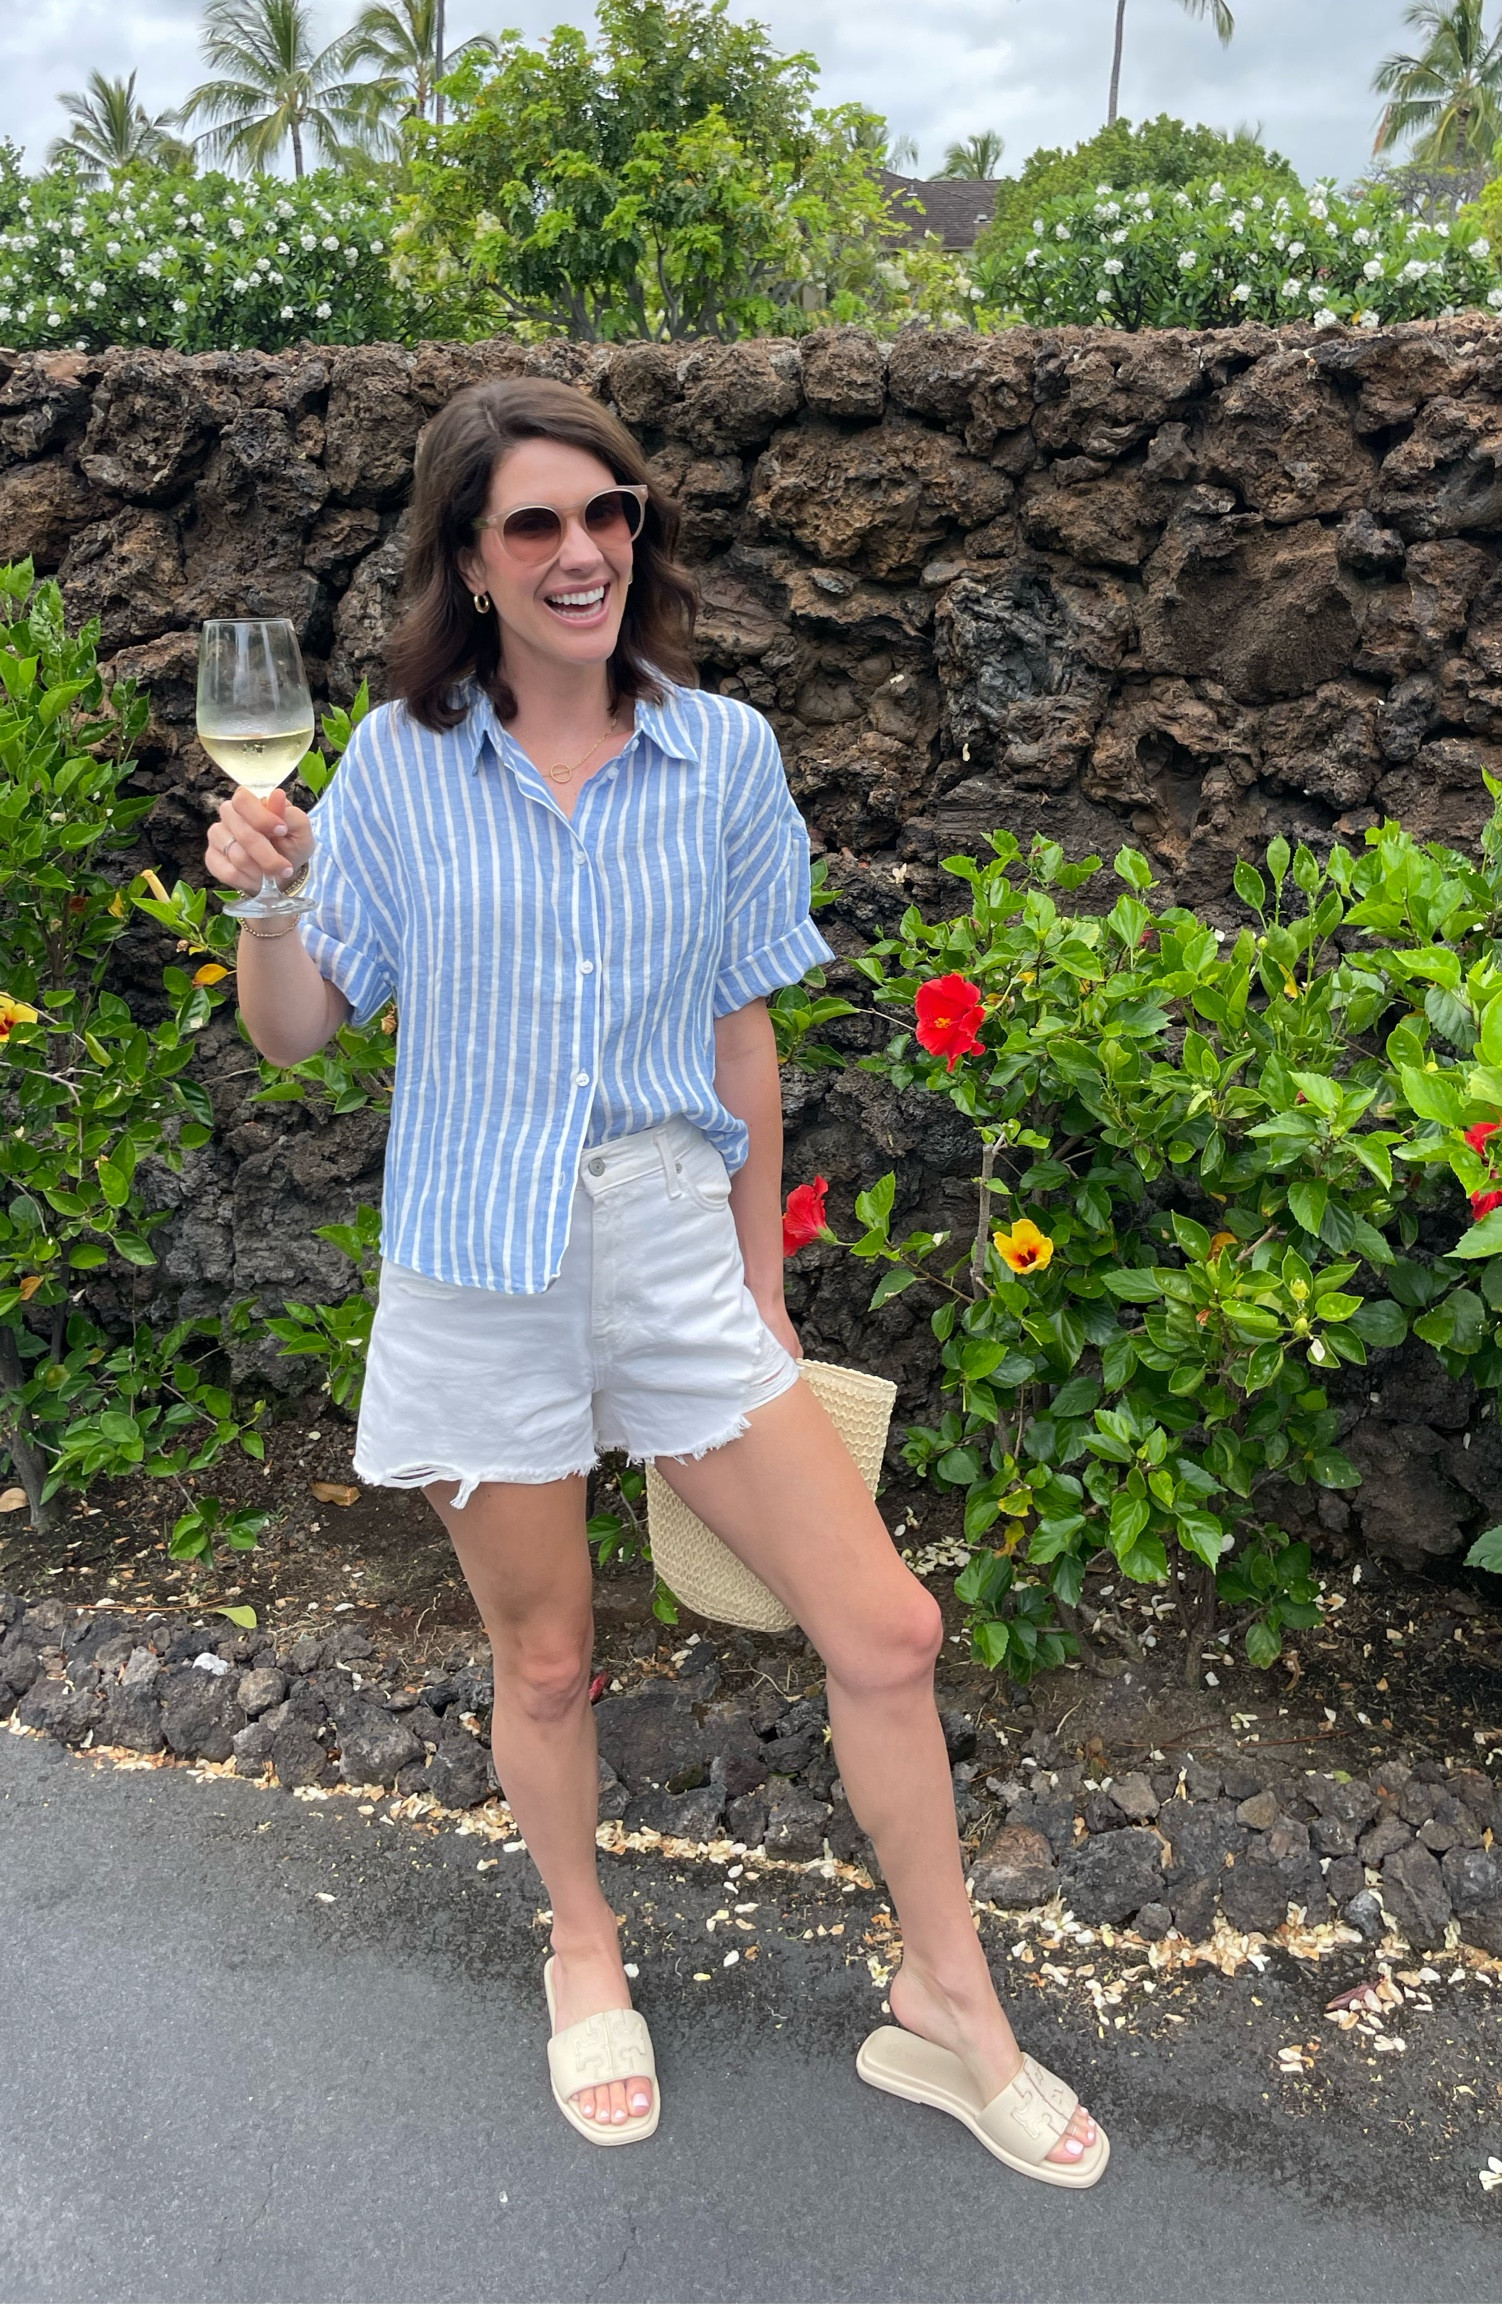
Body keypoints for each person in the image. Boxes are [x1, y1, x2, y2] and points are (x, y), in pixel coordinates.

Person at [206, 375, 1107, 2186]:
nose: (580, 552)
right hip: (476, 1263)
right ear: (466, 556)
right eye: (533, 523)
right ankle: (584, 1945)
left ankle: (951, 2002)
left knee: (889, 1629)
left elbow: (743, 1028)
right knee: (545, 1663)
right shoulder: (388, 763)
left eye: (606, 513)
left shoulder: (728, 753)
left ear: (641, 531)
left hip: (674, 1246)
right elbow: (299, 1037)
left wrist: (766, 1288)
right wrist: (263, 901)